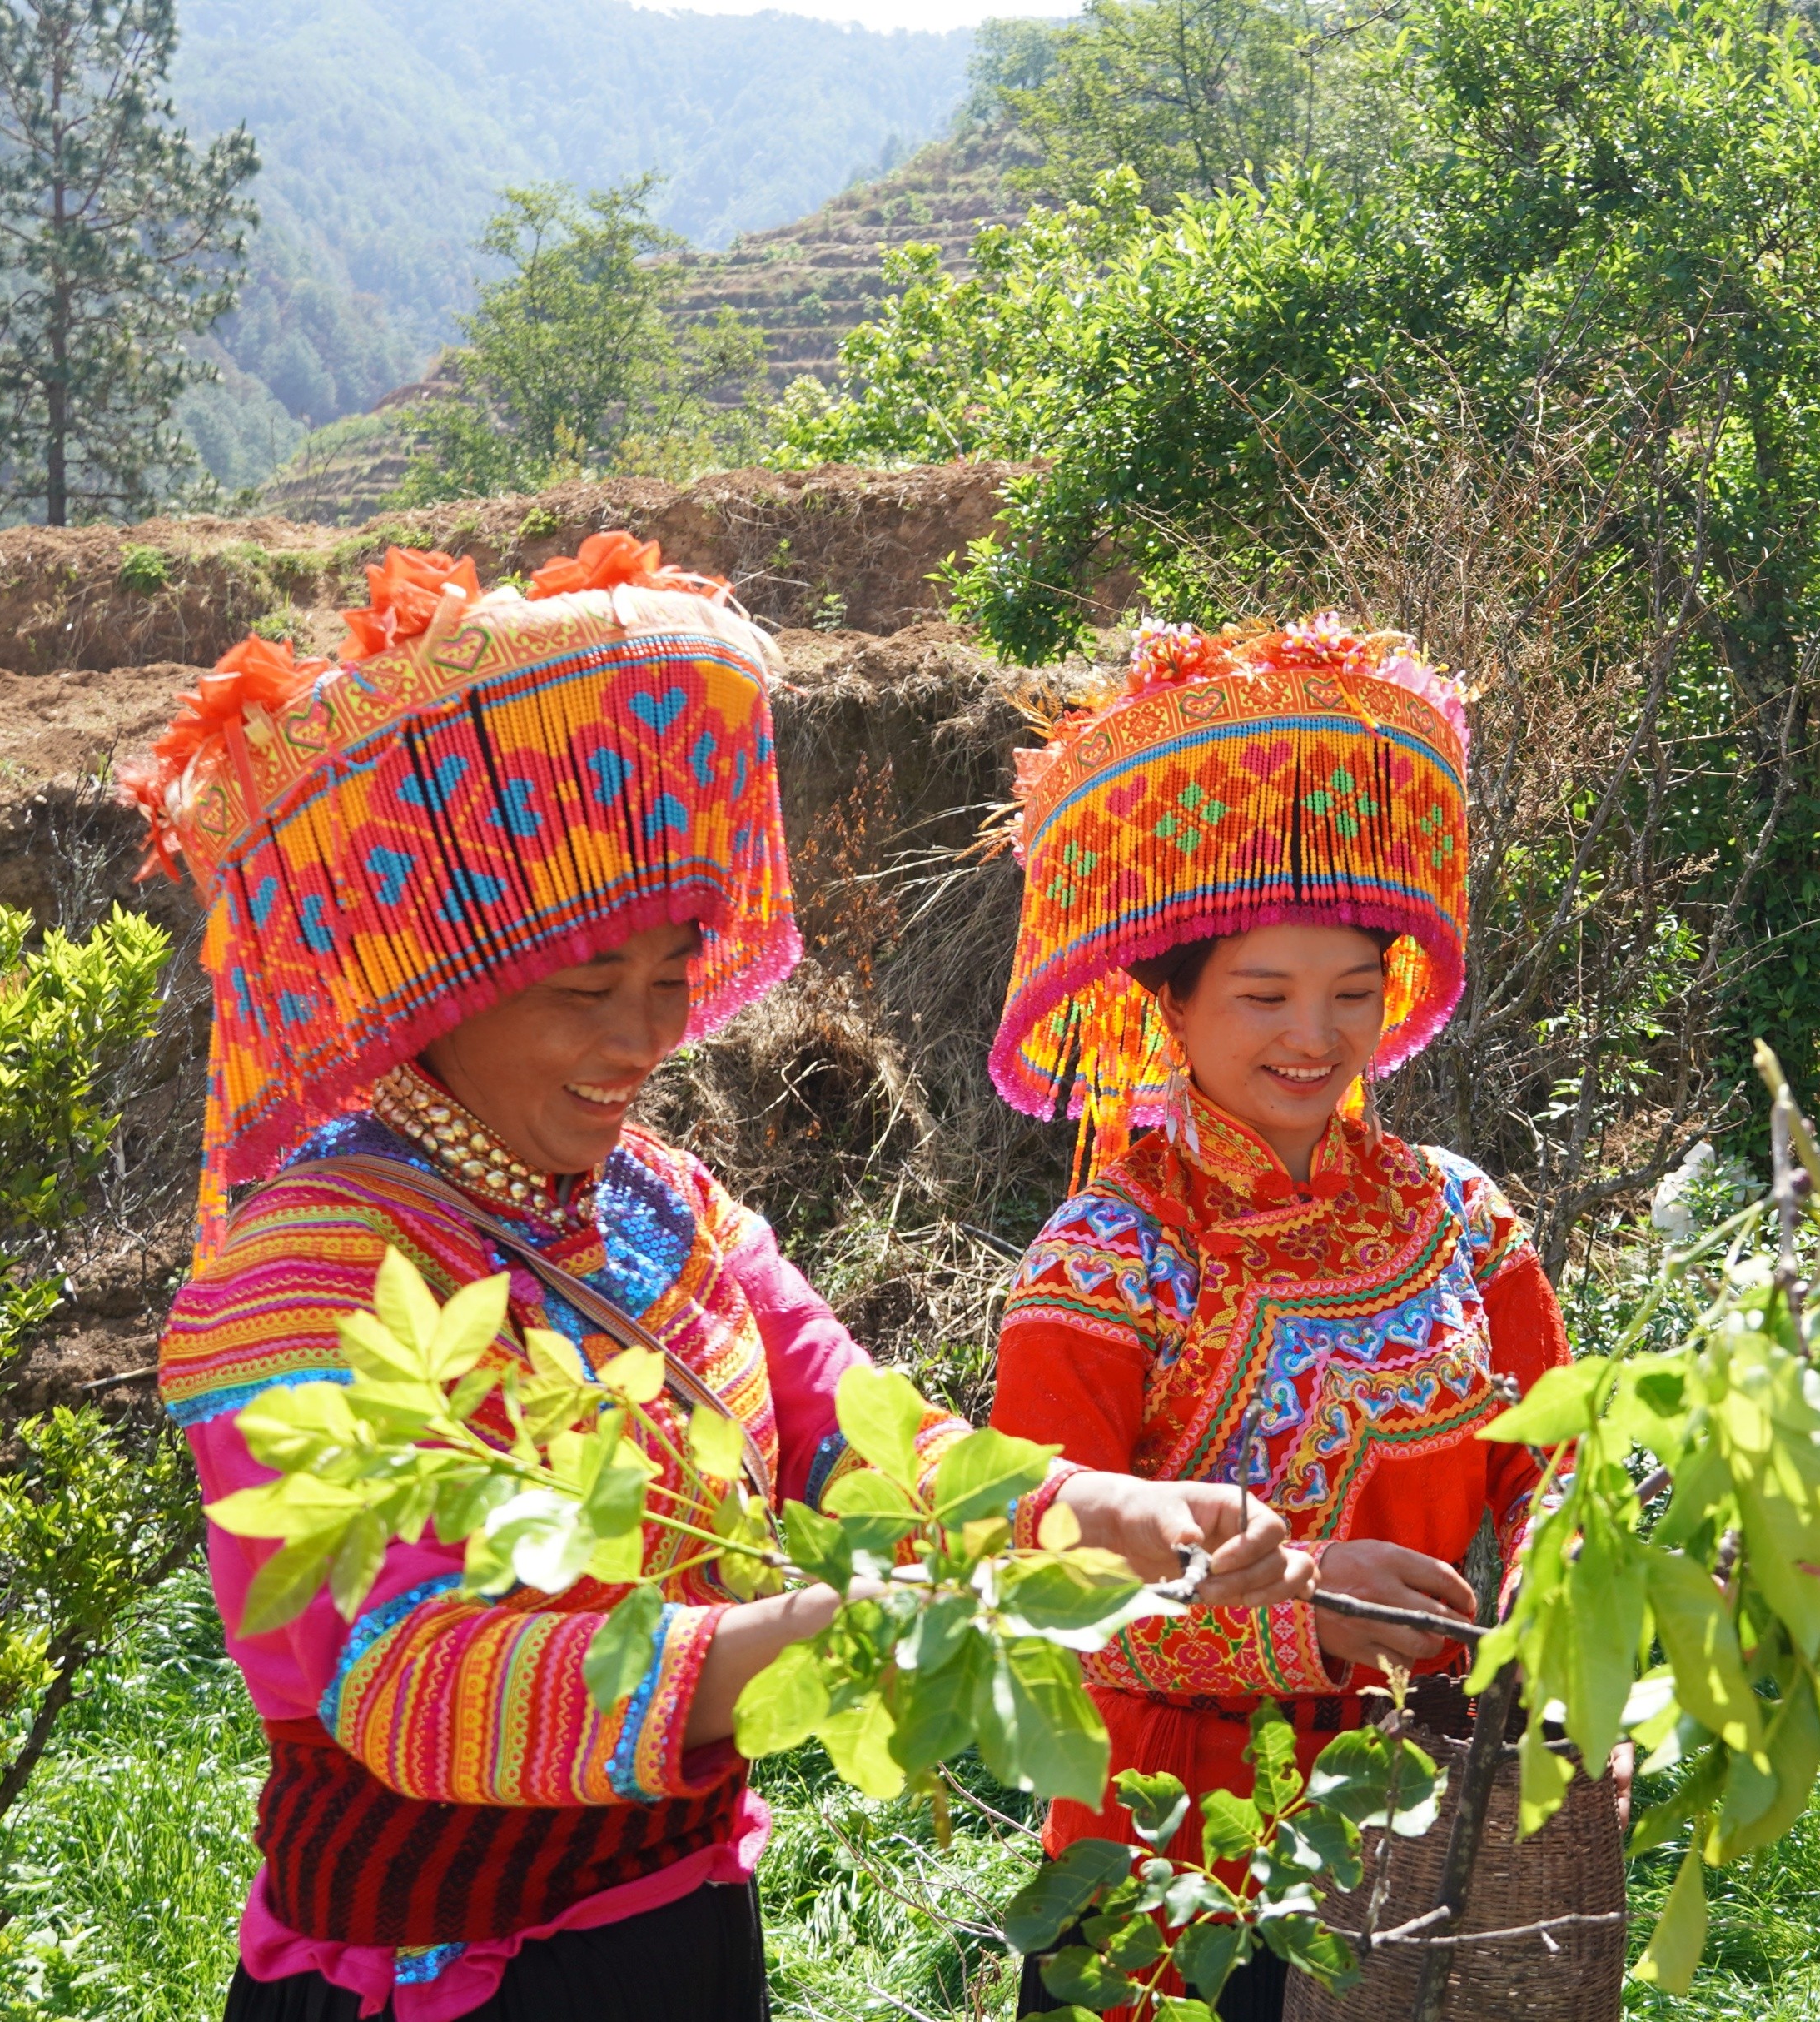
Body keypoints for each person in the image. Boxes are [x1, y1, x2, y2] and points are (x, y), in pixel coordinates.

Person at [128, 539, 1310, 2022]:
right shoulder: (307, 1278)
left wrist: (1105, 1513)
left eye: (671, 977)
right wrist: (818, 1633)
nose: (640, 1040)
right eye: (581, 992)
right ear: (443, 981)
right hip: (454, 1982)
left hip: (681, 1931)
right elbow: (409, 1682)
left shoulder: (656, 1204)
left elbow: (857, 1433)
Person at [981, 620, 1574, 2021]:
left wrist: (1568, 1593)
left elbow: (1557, 1449)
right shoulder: (1110, 1258)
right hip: (1166, 1861)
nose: (1315, 1036)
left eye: (1352, 993)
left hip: (1419, 1825)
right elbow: (1042, 1590)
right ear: (1168, 1003)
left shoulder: (1458, 1214)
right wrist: (1312, 1603)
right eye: (1264, 995)